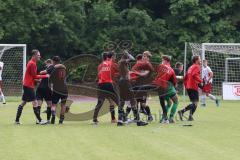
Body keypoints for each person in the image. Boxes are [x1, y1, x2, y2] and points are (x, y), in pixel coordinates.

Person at [15, 49, 48, 125]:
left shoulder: (31, 62)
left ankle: (17, 120)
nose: (40, 56)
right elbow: (34, 76)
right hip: (29, 85)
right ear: (34, 55)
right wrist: (45, 76)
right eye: (38, 55)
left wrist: (38, 80)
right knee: (35, 102)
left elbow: (32, 76)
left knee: (23, 102)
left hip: (27, 84)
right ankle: (39, 120)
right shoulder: (32, 63)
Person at [118, 51, 148, 126]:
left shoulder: (122, 63)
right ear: (126, 57)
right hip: (125, 82)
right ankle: (138, 121)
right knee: (133, 100)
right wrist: (128, 54)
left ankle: (120, 121)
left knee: (122, 101)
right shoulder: (122, 61)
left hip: (122, 82)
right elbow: (132, 58)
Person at [92, 52, 119, 124]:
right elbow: (120, 71)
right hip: (109, 84)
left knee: (102, 102)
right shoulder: (112, 64)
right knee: (116, 101)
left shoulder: (100, 66)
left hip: (100, 84)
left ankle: (95, 118)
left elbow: (99, 75)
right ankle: (119, 117)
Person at [128, 51, 155, 122]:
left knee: (143, 104)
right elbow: (133, 70)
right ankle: (137, 118)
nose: (143, 57)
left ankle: (149, 116)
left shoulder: (148, 64)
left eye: (145, 56)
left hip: (143, 86)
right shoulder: (141, 63)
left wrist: (142, 74)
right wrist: (138, 74)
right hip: (138, 85)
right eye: (143, 56)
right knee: (136, 102)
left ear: (147, 57)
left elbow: (149, 72)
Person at [154, 55, 178, 124]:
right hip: (166, 88)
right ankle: (171, 118)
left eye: (162, 60)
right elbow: (174, 82)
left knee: (167, 103)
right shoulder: (171, 69)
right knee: (176, 101)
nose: (162, 61)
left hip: (158, 87)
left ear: (165, 60)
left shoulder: (159, 66)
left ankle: (163, 119)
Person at [178, 55, 203, 121]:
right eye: (200, 59)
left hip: (189, 87)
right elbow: (194, 75)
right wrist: (201, 81)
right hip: (193, 86)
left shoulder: (190, 67)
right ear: (196, 60)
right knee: (195, 103)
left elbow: (185, 77)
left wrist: (186, 85)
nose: (200, 60)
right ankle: (182, 111)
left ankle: (190, 117)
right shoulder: (197, 66)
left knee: (194, 103)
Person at [47, 56, 68, 124]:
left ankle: (53, 114)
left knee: (54, 104)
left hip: (56, 89)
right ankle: (61, 120)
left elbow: (50, 80)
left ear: (54, 61)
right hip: (64, 89)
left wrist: (50, 87)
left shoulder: (53, 68)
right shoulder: (64, 68)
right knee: (63, 105)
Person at [36, 59, 53, 123]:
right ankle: (48, 120)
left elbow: (41, 75)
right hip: (47, 88)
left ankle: (38, 120)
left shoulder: (50, 67)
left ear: (49, 63)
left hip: (40, 88)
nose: (46, 65)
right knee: (49, 104)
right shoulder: (52, 67)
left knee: (39, 104)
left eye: (46, 64)